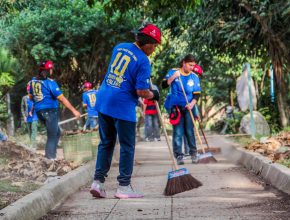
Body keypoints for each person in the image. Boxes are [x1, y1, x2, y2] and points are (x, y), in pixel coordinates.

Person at [90, 23, 161, 199]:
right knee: (127, 146)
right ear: (149, 43)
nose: (154, 49)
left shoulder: (120, 47)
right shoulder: (144, 61)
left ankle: (97, 183)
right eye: (155, 45)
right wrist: (154, 94)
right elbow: (141, 91)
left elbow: (122, 78)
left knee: (106, 143)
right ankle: (123, 186)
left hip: (104, 100)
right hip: (122, 106)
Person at [29, 60, 80, 160]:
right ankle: (50, 159)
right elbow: (61, 98)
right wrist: (74, 111)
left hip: (39, 112)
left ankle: (52, 156)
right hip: (50, 111)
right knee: (52, 135)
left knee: (57, 133)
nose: (52, 70)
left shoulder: (33, 81)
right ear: (48, 70)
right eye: (51, 69)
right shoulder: (50, 83)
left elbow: (31, 97)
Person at [164, 54, 201, 165]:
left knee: (189, 131)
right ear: (184, 62)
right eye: (190, 65)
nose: (192, 67)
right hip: (176, 108)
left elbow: (197, 94)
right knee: (178, 132)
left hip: (188, 108)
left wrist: (192, 104)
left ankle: (193, 153)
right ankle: (179, 155)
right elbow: (163, 85)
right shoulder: (173, 72)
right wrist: (173, 77)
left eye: (193, 65)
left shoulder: (194, 76)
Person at [21, 83, 38, 148]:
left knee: (34, 130)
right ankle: (33, 145)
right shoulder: (24, 98)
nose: (29, 91)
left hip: (35, 116)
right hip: (27, 117)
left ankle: (32, 145)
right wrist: (24, 116)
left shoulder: (35, 97)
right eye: (28, 89)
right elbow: (22, 108)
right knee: (29, 131)